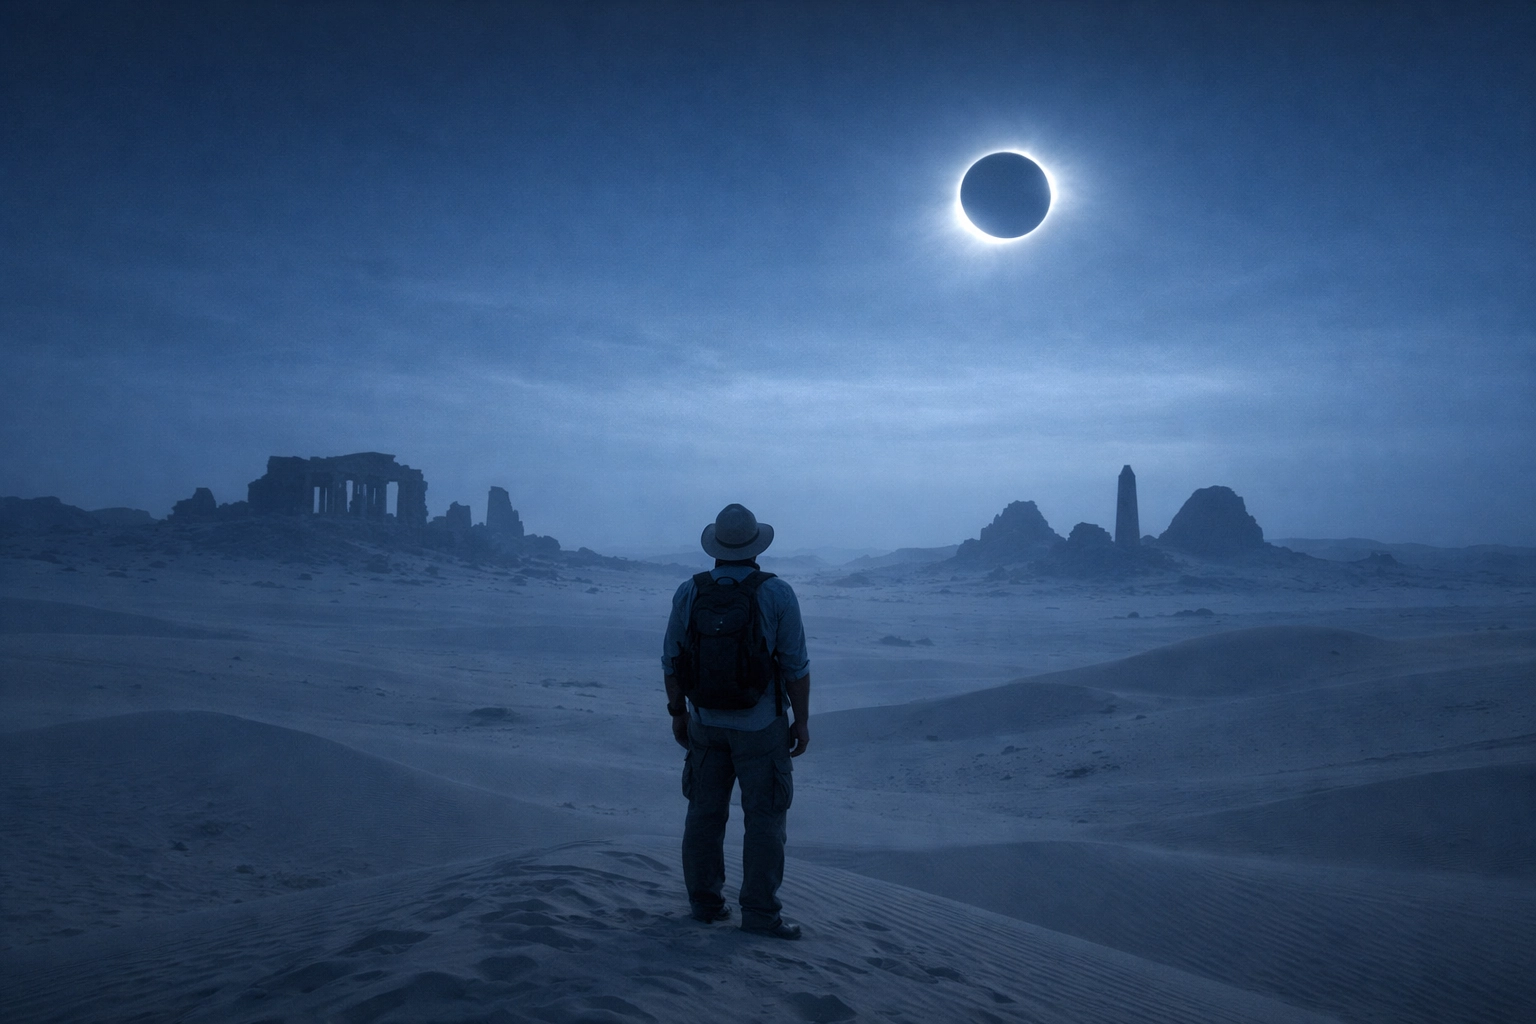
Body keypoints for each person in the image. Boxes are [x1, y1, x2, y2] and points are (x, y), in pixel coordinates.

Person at [662, 503, 811, 940]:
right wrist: (800, 722)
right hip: (760, 726)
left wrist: (677, 714)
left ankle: (705, 904)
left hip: (704, 723)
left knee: (704, 815)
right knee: (764, 820)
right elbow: (796, 666)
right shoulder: (777, 593)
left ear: (716, 548)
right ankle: (761, 915)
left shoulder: (690, 591)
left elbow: (671, 660)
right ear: (756, 547)